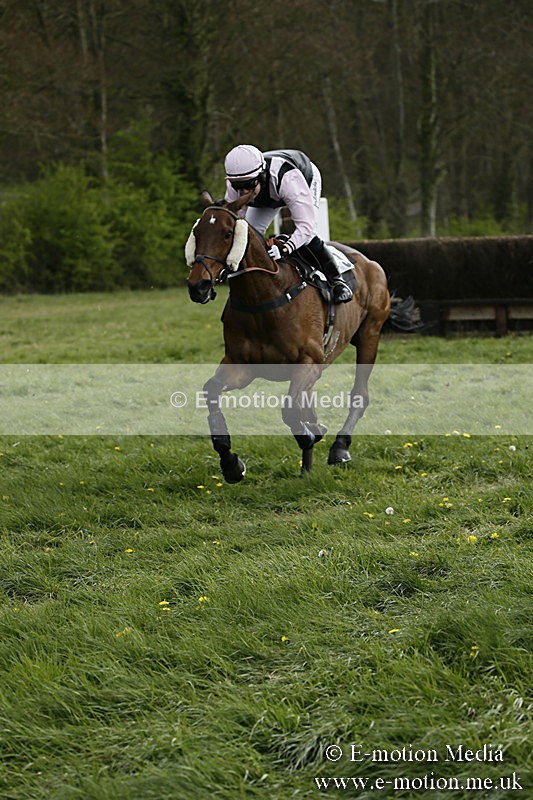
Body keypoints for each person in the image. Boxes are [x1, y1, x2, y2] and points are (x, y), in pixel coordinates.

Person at [223, 145, 353, 303]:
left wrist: (285, 249)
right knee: (250, 232)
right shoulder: (236, 181)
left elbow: (305, 227)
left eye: (249, 185)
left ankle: (337, 281)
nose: (243, 192)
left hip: (303, 179)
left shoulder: (288, 178)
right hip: (270, 191)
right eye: (238, 187)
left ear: (261, 175)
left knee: (308, 235)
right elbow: (236, 223)